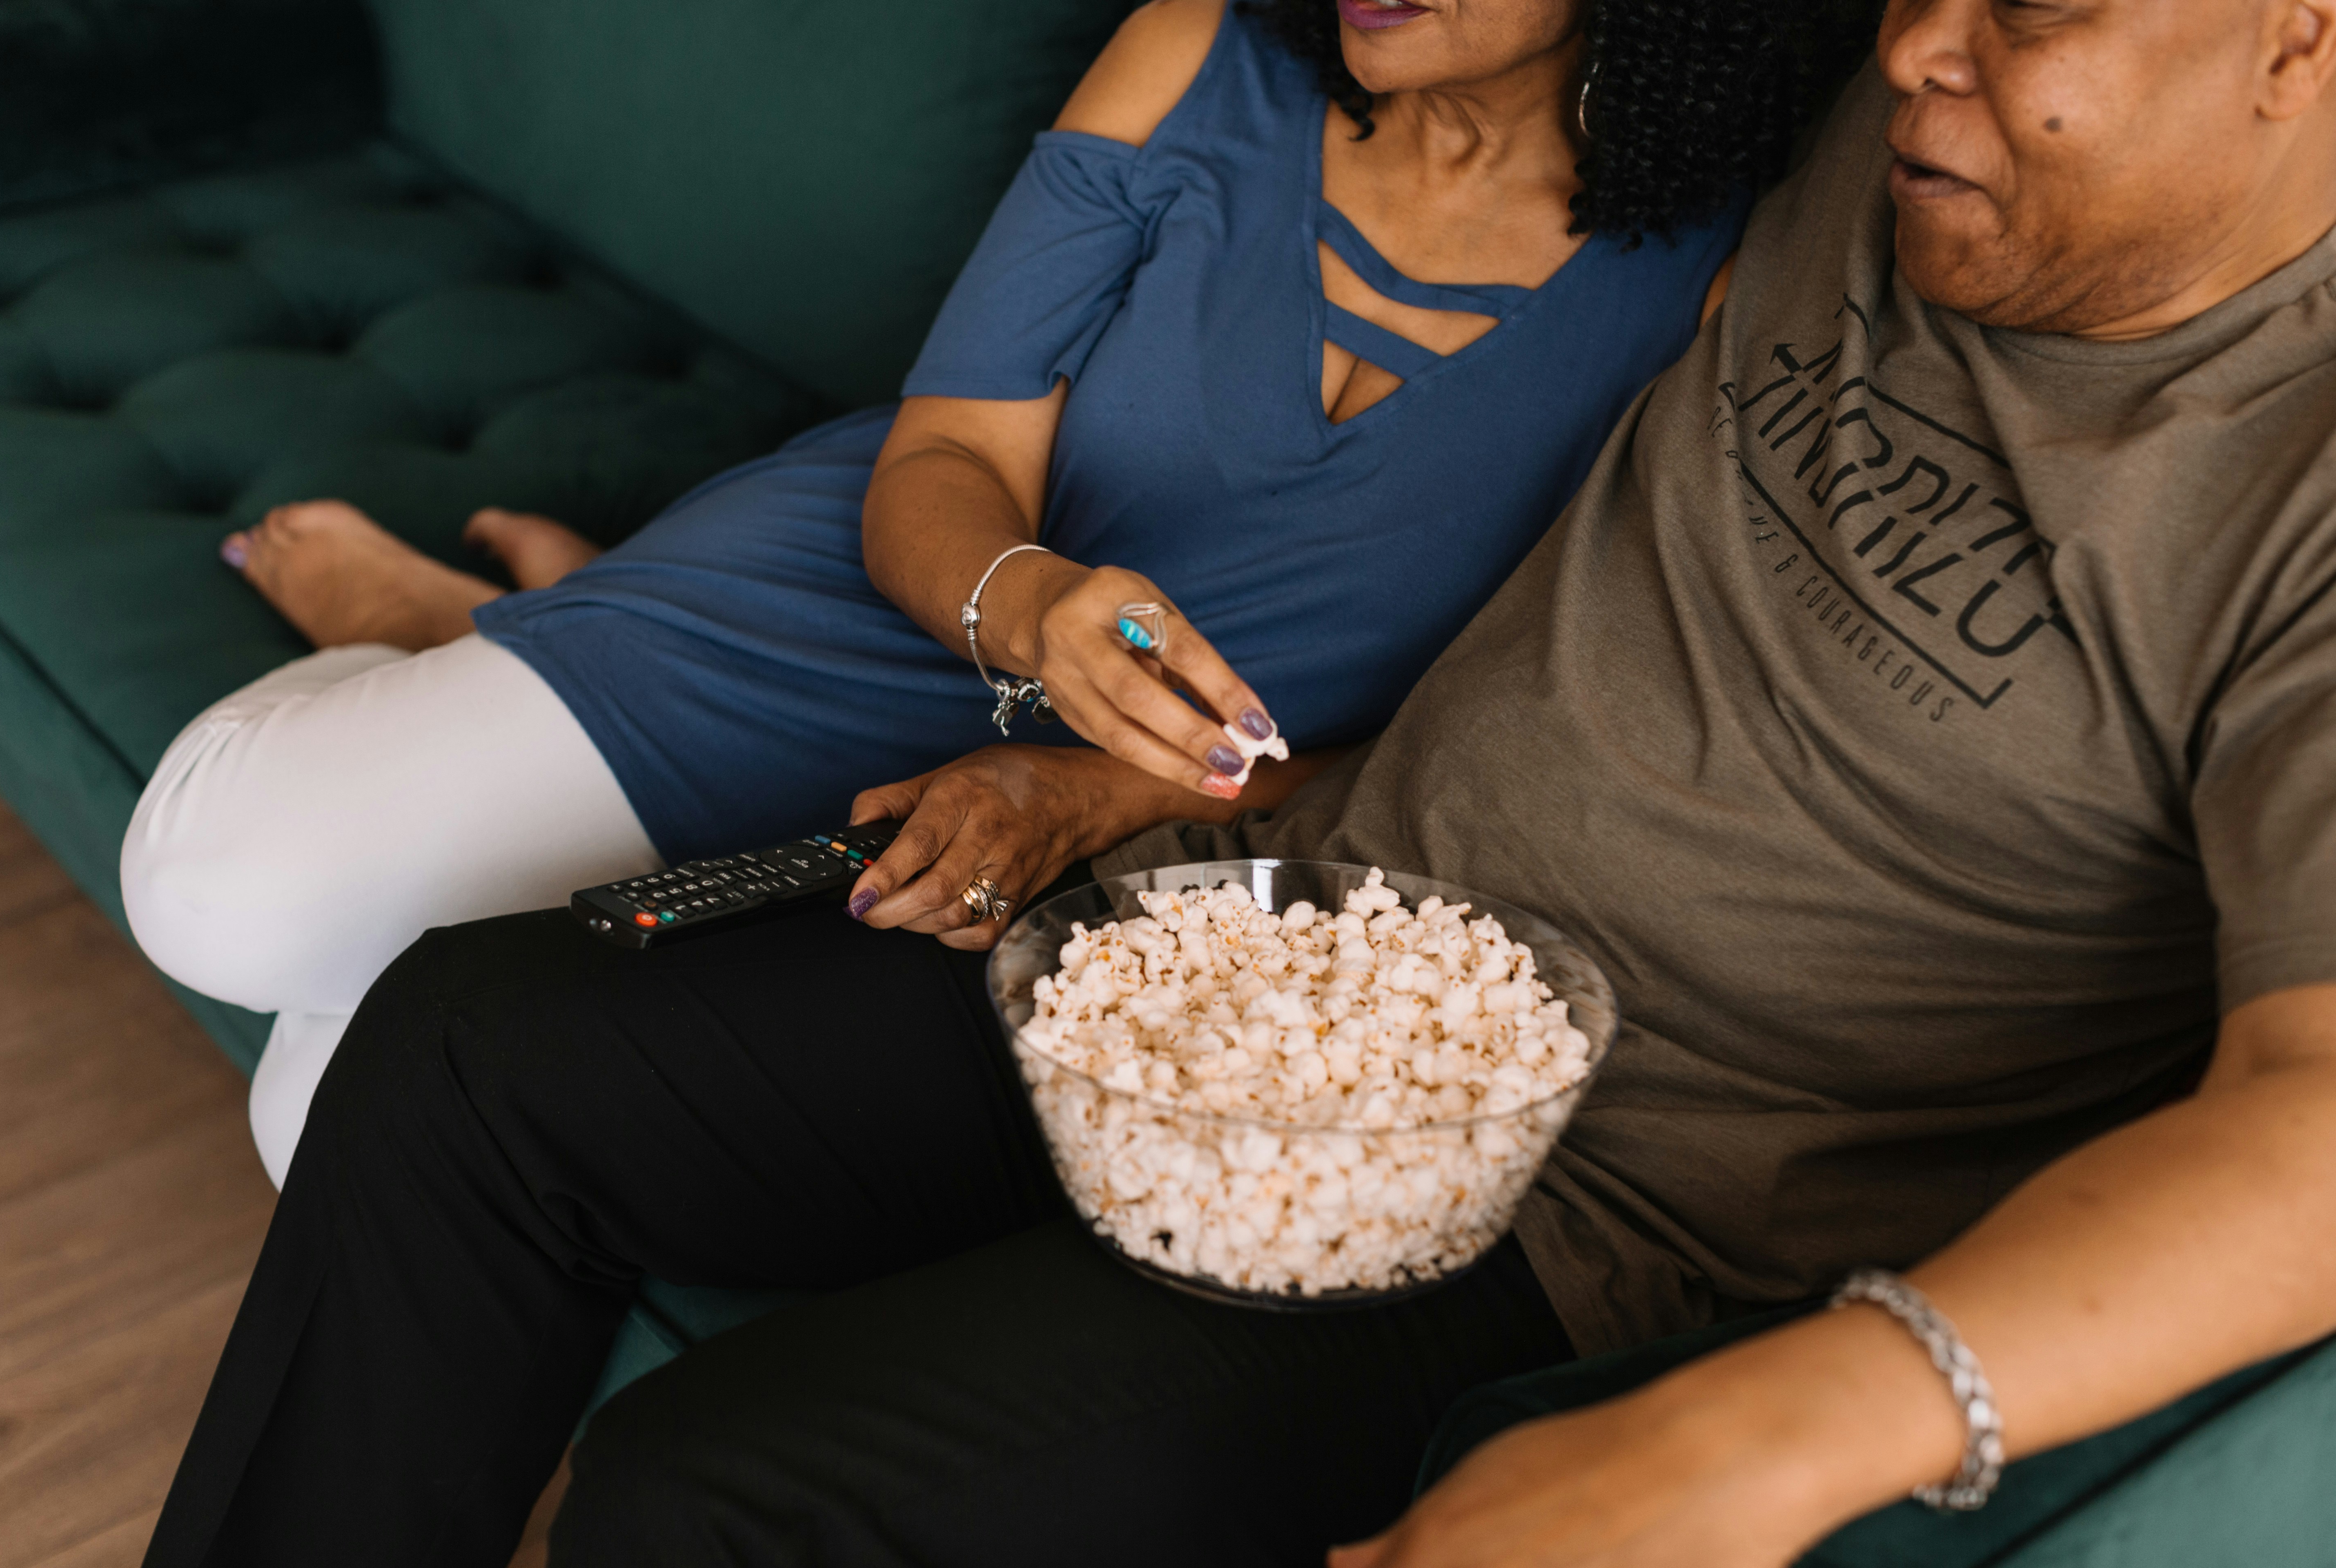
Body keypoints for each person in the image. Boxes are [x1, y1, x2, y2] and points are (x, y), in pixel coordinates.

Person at [145, 0, 2336, 1564]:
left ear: (2300, 39)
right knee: (462, 1049)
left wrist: (1772, 1438)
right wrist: (1125, 797)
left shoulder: (2296, 495)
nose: (1918, 42)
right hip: (1261, 909)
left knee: (712, 1496)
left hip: (1567, 1203)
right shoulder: (1871, 127)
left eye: (2028, 6)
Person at [116, 0, 1846, 1188]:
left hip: (1094, 815)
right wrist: (1027, 611)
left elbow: (1517, 717)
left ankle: (504, 650)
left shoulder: (1726, 275)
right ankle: (437, 638)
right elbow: (948, 452)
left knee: (342, 1112)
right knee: (220, 899)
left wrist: (1104, 784)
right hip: (853, 604)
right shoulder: (1206, 54)